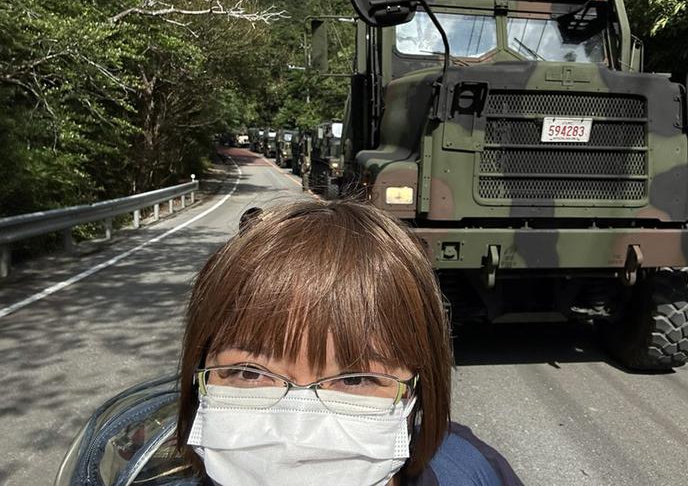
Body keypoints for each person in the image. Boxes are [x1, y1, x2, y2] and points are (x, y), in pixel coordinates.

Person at [57, 200, 522, 486]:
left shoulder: (473, 473)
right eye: (248, 372)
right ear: (198, 373)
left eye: (356, 377)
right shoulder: (136, 472)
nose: (297, 426)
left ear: (420, 389)